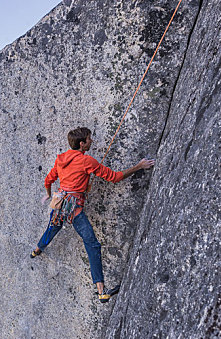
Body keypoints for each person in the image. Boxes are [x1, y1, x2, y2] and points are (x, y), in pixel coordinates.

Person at [30, 127, 154, 303]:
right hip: (74, 209)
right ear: (82, 144)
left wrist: (49, 194)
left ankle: (37, 250)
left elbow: (48, 180)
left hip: (59, 203)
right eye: (89, 139)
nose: (91, 141)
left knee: (53, 227)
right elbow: (115, 177)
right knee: (92, 244)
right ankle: (102, 291)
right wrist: (139, 166)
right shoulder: (86, 161)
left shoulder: (61, 160)